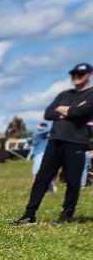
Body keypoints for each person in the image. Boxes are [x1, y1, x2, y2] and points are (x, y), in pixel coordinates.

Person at [16, 61, 93, 225]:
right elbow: (48, 113)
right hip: (55, 140)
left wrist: (64, 109)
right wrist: (69, 111)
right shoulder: (64, 94)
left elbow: (82, 112)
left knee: (72, 181)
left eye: (80, 74)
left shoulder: (91, 94)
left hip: (76, 142)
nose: (76, 77)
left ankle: (66, 214)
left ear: (89, 75)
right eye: (73, 74)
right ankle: (29, 215)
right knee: (42, 178)